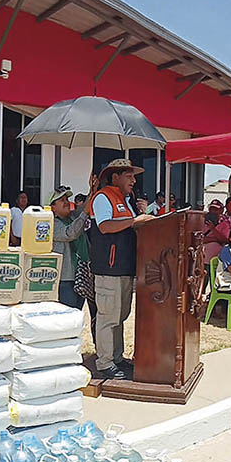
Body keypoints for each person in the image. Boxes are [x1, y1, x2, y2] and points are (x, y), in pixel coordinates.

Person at [88, 158, 156, 380]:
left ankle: (117, 357)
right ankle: (105, 361)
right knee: (108, 316)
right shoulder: (102, 197)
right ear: (114, 177)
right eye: (129, 176)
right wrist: (134, 221)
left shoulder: (127, 201)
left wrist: (139, 215)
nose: (134, 181)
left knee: (120, 315)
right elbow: (105, 226)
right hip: (108, 269)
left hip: (125, 268)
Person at [51, 185, 91, 313]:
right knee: (67, 316)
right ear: (53, 207)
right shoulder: (51, 223)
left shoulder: (72, 217)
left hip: (81, 275)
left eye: (67, 200)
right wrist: (84, 213)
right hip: (65, 279)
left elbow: (85, 207)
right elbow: (70, 233)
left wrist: (93, 188)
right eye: (62, 200)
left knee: (77, 314)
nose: (67, 203)